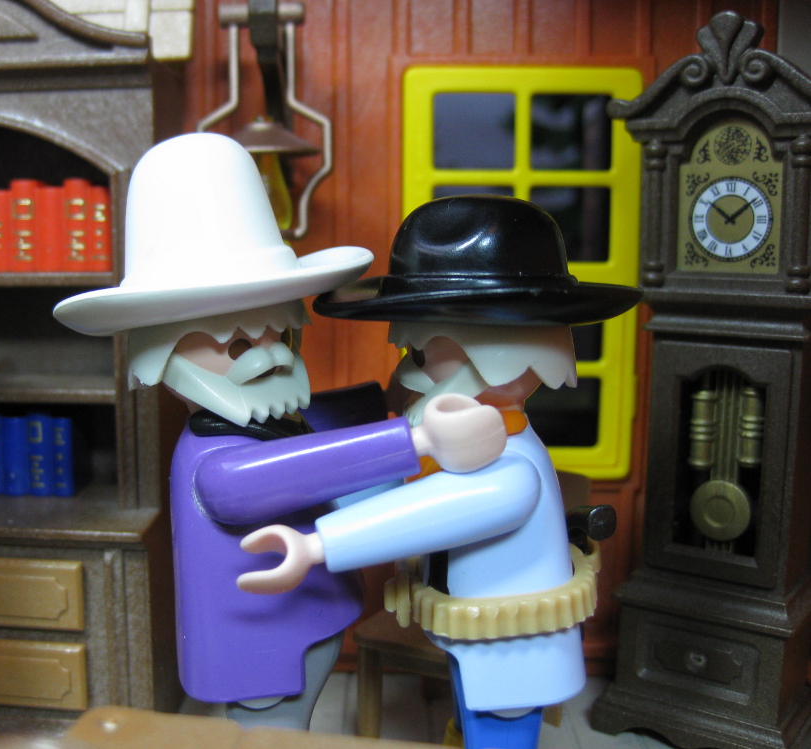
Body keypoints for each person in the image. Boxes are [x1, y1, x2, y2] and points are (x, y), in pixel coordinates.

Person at [53, 134, 507, 729]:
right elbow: (291, 469)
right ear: (165, 354)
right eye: (239, 343)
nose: (271, 355)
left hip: (302, 622)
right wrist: (418, 441)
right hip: (259, 647)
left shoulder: (263, 423)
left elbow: (314, 426)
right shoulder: (217, 465)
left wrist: (392, 398)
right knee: (273, 735)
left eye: (283, 335)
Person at [237, 195, 642, 749]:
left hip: (511, 640)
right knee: (470, 720)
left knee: (498, 732)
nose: (405, 377)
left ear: (495, 356)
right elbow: (398, 486)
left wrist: (316, 546)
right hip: (475, 631)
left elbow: (424, 512)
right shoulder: (475, 444)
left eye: (420, 356)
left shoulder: (510, 468)